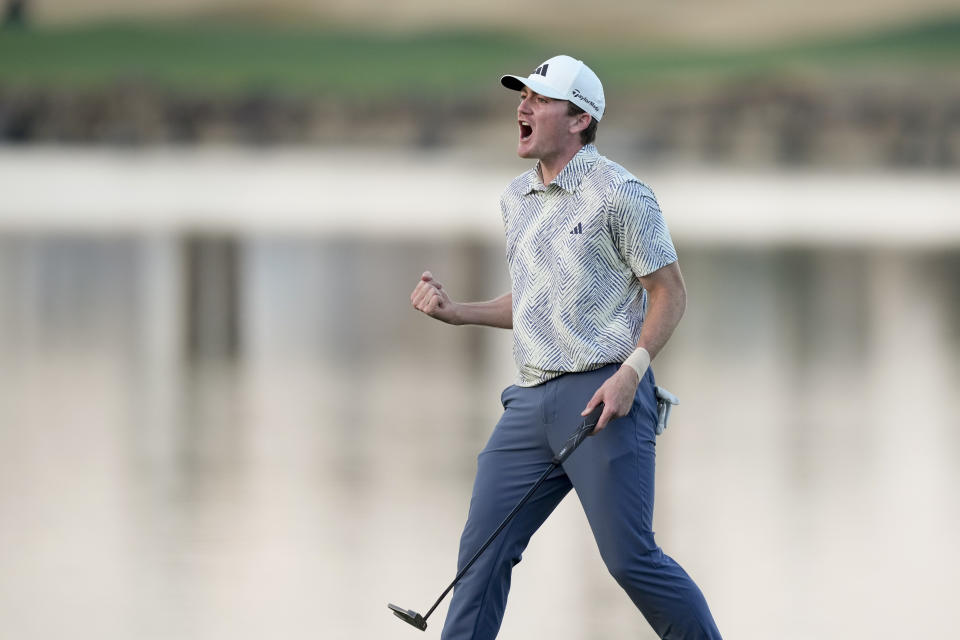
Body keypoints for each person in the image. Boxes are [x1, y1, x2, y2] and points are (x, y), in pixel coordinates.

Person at [409, 54, 722, 640]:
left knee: (631, 561)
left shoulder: (622, 194)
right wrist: (459, 313)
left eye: (540, 99)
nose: (522, 107)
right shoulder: (516, 199)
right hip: (529, 406)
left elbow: (669, 294)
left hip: (605, 398)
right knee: (481, 556)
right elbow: (535, 300)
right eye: (521, 97)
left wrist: (633, 372)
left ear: (579, 120)